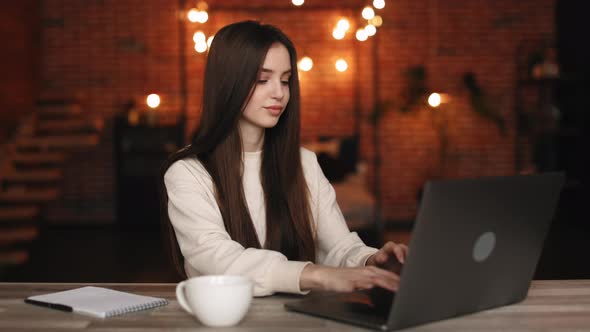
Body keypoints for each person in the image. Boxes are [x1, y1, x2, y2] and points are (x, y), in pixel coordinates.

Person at [160, 20, 408, 297]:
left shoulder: (304, 163)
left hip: (296, 317)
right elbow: (217, 258)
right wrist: (315, 275)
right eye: (263, 80)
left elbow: (338, 245)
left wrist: (370, 261)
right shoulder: (188, 172)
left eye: (286, 80)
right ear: (229, 84)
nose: (279, 92)